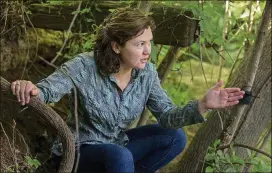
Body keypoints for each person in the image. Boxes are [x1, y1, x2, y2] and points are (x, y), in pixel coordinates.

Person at [11, 7, 245, 173]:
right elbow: (47, 91)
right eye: (139, 44)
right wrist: (31, 89)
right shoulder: (85, 66)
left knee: (174, 137)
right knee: (119, 156)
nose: (147, 51)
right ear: (116, 46)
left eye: (149, 42)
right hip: (82, 151)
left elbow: (167, 116)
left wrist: (203, 104)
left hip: (118, 146)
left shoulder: (147, 74)